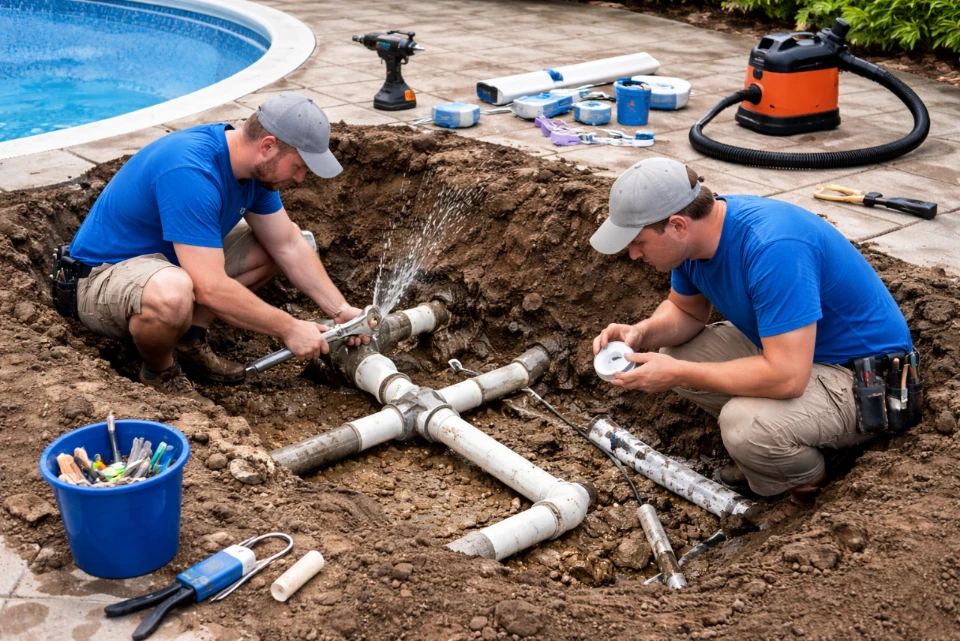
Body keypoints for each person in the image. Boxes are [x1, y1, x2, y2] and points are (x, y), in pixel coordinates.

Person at [590, 158, 913, 518]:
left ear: (677, 225)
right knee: (678, 351)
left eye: (638, 243)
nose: (633, 255)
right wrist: (642, 331)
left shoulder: (772, 248)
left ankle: (808, 488)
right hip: (796, 354)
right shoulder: (696, 240)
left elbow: (788, 377)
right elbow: (687, 313)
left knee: (744, 425)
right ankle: (776, 448)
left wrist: (677, 374)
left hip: (866, 381)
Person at [68, 92, 368, 404]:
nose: (301, 177)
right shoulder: (191, 171)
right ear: (268, 146)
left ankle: (188, 338)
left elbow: (287, 245)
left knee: (283, 241)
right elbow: (210, 287)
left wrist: (340, 310)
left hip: (167, 265)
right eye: (299, 166)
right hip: (101, 278)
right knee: (173, 294)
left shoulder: (253, 171)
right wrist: (289, 328)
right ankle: (159, 372)